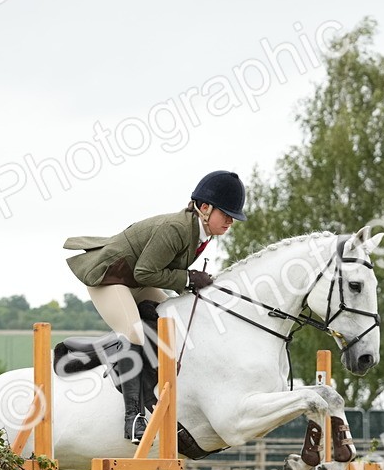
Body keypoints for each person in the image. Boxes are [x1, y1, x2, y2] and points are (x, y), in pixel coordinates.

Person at [63, 170, 247, 441]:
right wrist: (188, 278)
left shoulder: (201, 233)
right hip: (110, 278)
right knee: (135, 333)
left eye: (233, 216)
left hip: (135, 280)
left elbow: (152, 273)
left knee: (177, 321)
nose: (231, 221)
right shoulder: (176, 228)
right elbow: (145, 272)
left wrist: (193, 283)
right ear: (205, 208)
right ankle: (133, 418)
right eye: (226, 214)